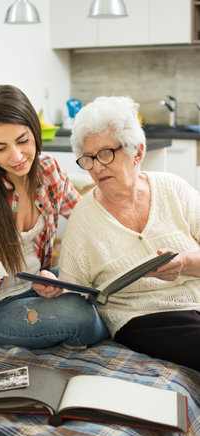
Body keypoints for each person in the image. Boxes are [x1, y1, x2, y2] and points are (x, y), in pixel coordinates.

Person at [0, 84, 109, 349]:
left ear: (34, 132)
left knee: (101, 285)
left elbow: (86, 218)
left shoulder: (48, 169)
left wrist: (51, 281)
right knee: (82, 317)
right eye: (0, 148)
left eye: (22, 141)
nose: (16, 157)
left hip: (35, 284)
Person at [43, 95, 200, 371]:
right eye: (89, 159)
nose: (97, 166)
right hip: (146, 316)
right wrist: (55, 286)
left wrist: (184, 263)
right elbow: (73, 289)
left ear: (137, 152)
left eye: (106, 153)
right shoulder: (84, 217)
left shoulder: (173, 188)